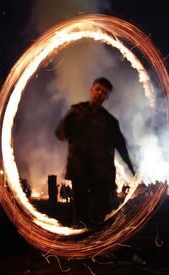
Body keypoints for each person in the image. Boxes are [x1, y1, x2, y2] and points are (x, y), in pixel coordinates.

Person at [55, 77, 135, 227]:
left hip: (101, 174)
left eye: (104, 93)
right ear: (91, 90)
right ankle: (81, 245)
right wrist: (69, 120)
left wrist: (133, 171)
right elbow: (60, 135)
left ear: (107, 98)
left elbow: (121, 147)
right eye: (98, 89)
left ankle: (102, 246)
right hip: (80, 171)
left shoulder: (110, 121)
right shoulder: (76, 111)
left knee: (103, 214)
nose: (100, 94)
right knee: (80, 215)